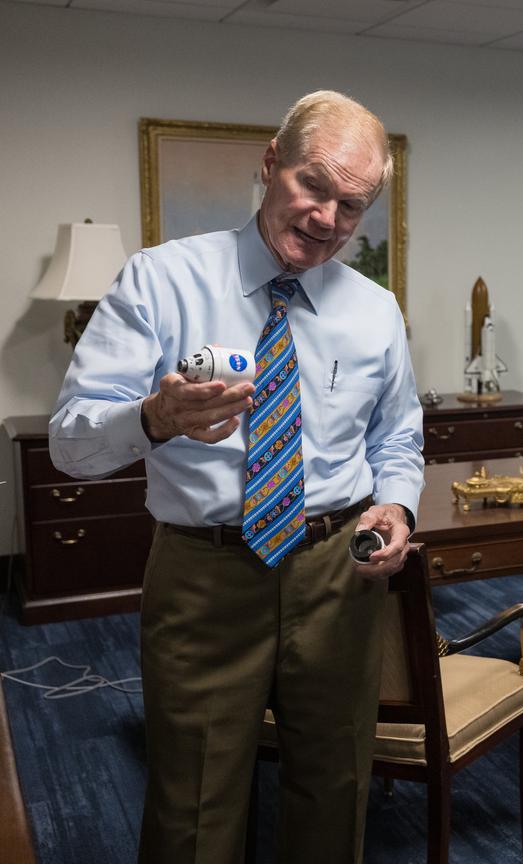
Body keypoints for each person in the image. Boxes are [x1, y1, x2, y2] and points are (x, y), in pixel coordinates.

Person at [48, 90, 425, 863]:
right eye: (313, 186)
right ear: (270, 164)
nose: (326, 218)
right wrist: (154, 418)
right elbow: (68, 445)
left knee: (335, 787)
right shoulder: (161, 281)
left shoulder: (375, 310)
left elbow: (398, 434)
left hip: (336, 574)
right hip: (207, 574)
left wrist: (398, 505)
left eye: (350, 206)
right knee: (193, 804)